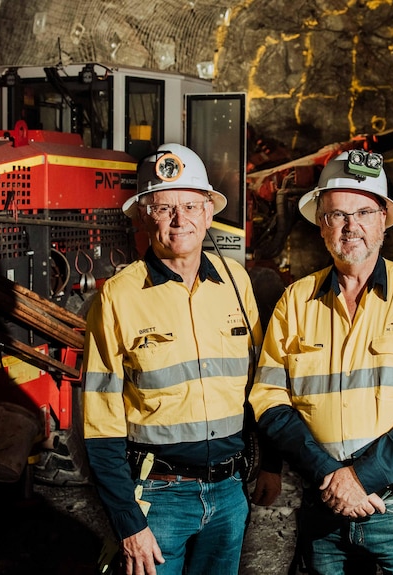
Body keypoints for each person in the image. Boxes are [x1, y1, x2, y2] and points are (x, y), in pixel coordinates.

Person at [249, 149, 393, 575]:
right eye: (337, 215)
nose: (351, 226)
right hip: (324, 509)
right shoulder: (296, 302)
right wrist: (331, 475)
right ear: (321, 226)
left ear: (383, 218)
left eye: (363, 211)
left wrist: (361, 478)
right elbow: (269, 401)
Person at [82, 143, 282, 575]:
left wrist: (271, 464)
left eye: (191, 205)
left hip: (229, 494)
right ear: (142, 216)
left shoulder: (236, 283)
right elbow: (100, 424)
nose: (180, 219)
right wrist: (127, 522)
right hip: (158, 497)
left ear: (209, 212)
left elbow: (261, 387)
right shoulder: (118, 297)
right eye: (164, 208)